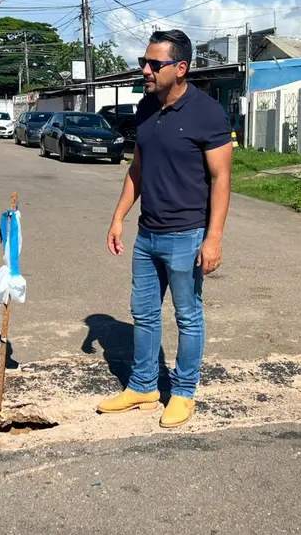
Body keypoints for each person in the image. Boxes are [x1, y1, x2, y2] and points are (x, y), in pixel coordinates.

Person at [98, 29, 233, 428]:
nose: (146, 69)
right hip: (148, 234)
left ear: (181, 67)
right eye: (145, 62)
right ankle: (142, 386)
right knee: (143, 313)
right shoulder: (145, 108)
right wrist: (119, 217)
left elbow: (221, 179)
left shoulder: (207, 113)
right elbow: (137, 168)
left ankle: (184, 391)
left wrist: (214, 238)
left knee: (188, 316)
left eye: (154, 64)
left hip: (188, 233)